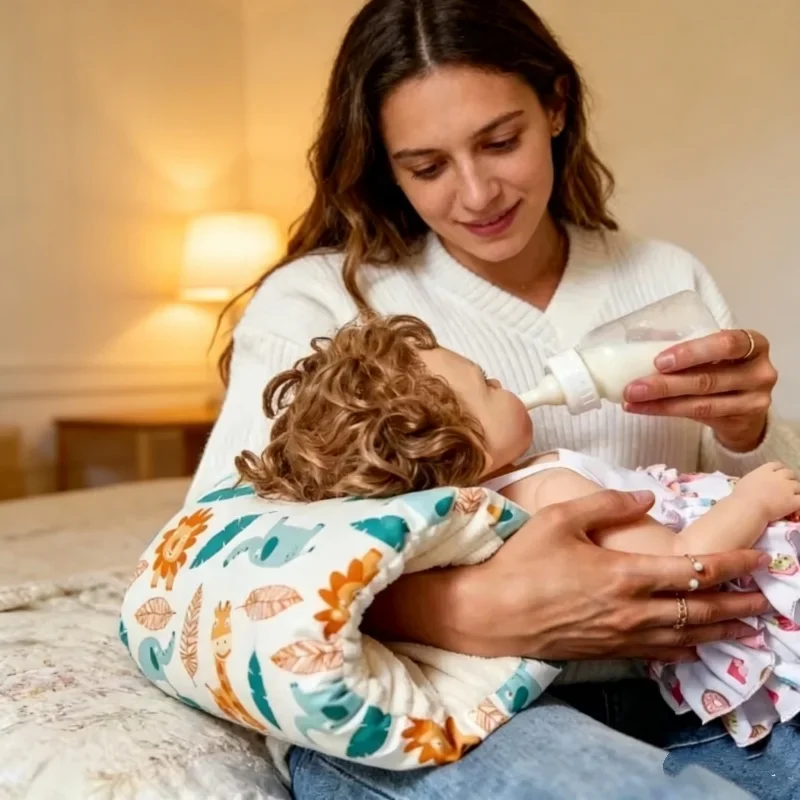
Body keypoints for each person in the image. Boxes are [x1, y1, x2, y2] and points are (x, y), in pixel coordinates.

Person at [189, 0, 800, 796]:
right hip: (460, 703)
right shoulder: (321, 304)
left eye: (500, 141)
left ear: (554, 105)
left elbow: (743, 504)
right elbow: (218, 564)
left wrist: (748, 431)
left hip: (693, 689)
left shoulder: (663, 279)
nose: (476, 194)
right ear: (384, 162)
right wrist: (467, 611)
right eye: (427, 167)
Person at [236, 311, 800, 749]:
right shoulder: (550, 489)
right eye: (486, 383)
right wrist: (754, 499)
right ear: (456, 443)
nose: (501, 378)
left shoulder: (493, 507)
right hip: (755, 594)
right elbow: (679, 566)